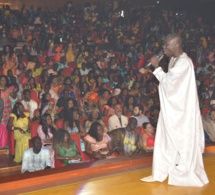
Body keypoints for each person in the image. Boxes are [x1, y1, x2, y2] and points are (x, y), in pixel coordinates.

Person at [140, 34, 209, 186]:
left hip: (182, 112)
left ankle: (183, 170)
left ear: (176, 45)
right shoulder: (174, 60)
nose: (163, 48)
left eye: (166, 45)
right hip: (174, 109)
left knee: (181, 139)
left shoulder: (184, 62)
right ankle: (161, 171)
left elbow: (170, 83)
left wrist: (156, 68)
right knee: (166, 138)